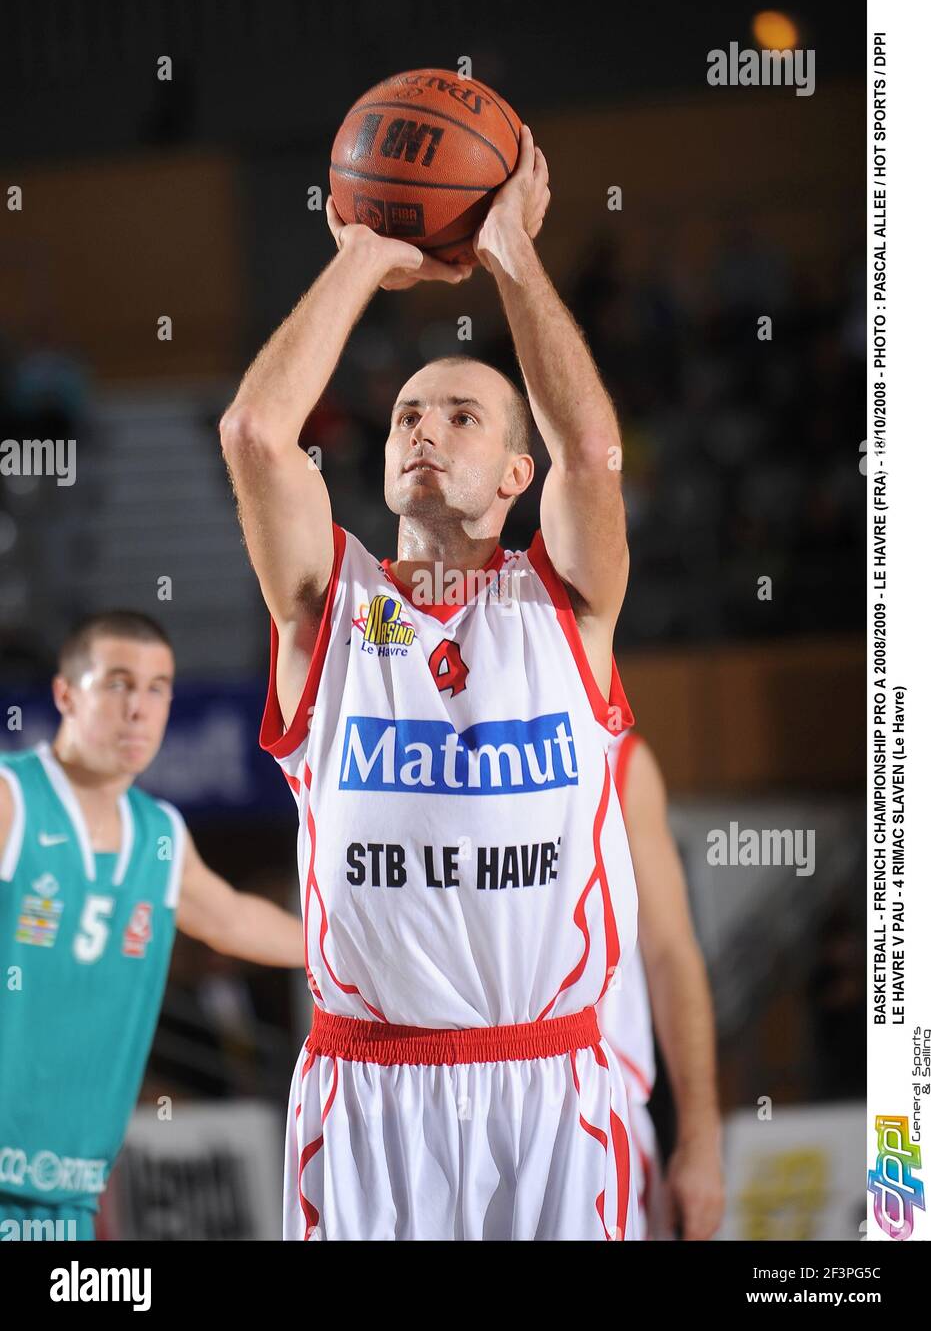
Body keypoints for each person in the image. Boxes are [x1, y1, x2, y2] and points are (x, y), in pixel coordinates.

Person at [220, 124, 646, 1241]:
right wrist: (363, 249)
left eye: (462, 415)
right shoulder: (331, 608)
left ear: (517, 473)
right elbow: (258, 433)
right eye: (409, 411)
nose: (424, 429)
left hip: (548, 1086)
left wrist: (511, 255)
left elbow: (594, 455)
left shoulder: (568, 607)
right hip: (369, 1090)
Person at [0, 610, 304, 1241]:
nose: (138, 708)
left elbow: (231, 919)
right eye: (116, 683)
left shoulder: (159, 832)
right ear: (65, 695)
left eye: (157, 687)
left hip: (72, 1192)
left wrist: (358, 953)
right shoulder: (13, 800)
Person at [596, 730, 725, 1240]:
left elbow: (672, 953)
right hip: (421, 1108)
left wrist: (699, 1139)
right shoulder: (399, 745)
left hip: (600, 1125)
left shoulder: (616, 759)